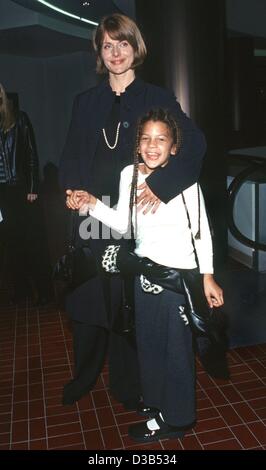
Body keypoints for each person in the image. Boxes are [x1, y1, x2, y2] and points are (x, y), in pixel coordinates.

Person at [59, 13, 206, 409]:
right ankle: (83, 378)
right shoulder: (85, 102)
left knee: (126, 305)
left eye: (122, 43)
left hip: (134, 216)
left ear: (135, 48)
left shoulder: (157, 98)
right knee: (89, 302)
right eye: (107, 45)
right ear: (99, 53)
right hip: (92, 214)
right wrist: (72, 191)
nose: (115, 52)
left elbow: (195, 146)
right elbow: (71, 155)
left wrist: (159, 186)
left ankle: (129, 388)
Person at [72, 108, 224, 443]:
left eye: (161, 139)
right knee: (150, 346)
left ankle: (179, 418)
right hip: (143, 275)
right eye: (146, 138)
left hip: (176, 279)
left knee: (177, 353)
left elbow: (202, 233)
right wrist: (92, 203)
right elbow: (125, 224)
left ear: (173, 147)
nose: (152, 145)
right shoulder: (129, 175)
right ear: (137, 144)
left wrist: (208, 276)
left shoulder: (183, 178)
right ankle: (158, 407)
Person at [0, 83, 51, 305]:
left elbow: (31, 154)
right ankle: (22, 291)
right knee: (12, 244)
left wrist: (32, 188)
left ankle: (46, 292)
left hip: (23, 191)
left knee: (35, 244)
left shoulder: (19, 119)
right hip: (2, 195)